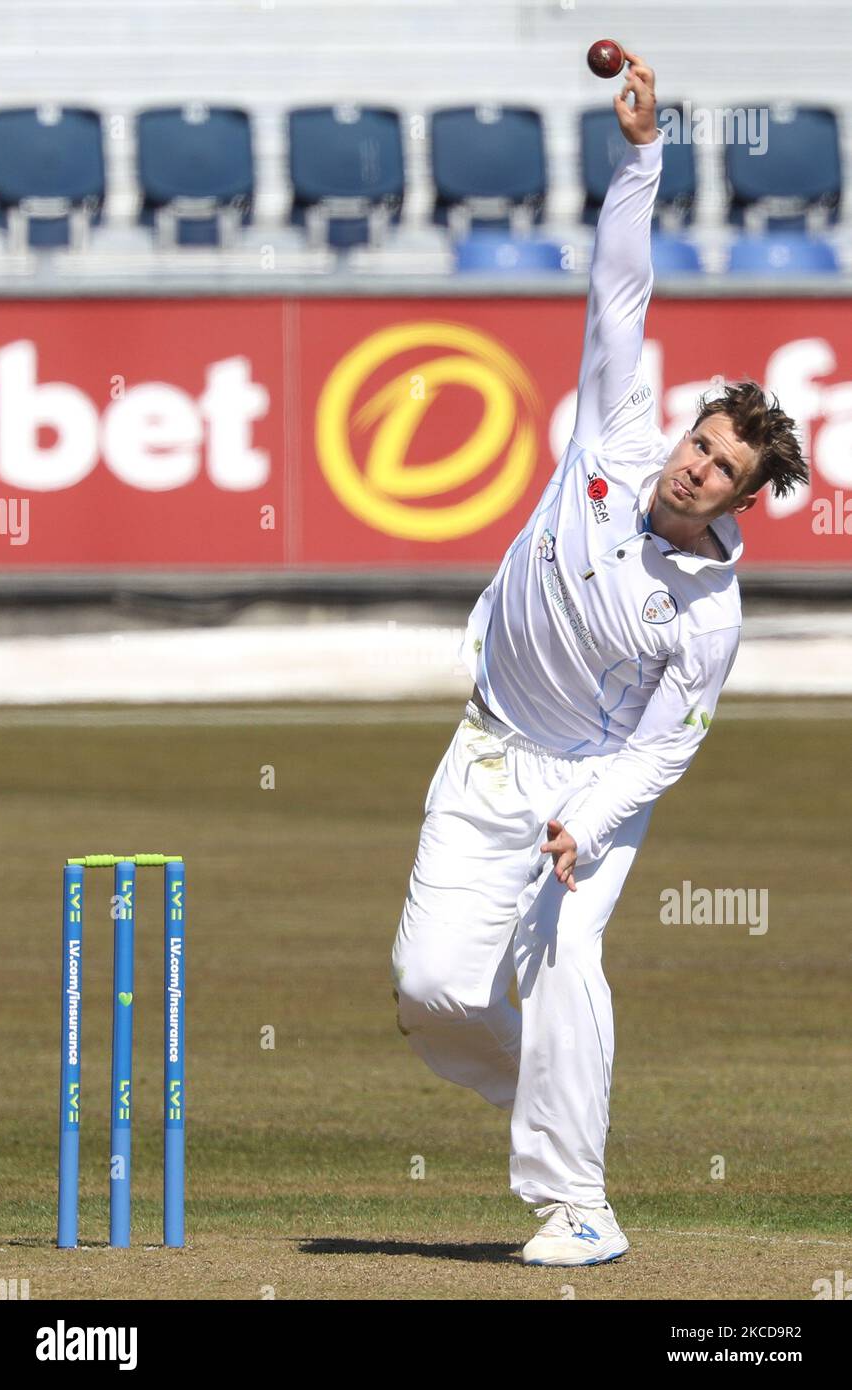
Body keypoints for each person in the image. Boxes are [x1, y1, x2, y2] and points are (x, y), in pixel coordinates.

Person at [390, 52, 808, 1267]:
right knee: (429, 992)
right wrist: (639, 157)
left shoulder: (707, 617)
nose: (694, 464)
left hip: (585, 784)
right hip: (485, 750)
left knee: (567, 956)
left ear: (743, 495)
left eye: (723, 466)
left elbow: (663, 748)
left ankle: (576, 1206)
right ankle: (551, 1100)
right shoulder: (619, 433)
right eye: (700, 440)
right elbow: (617, 293)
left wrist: (593, 818)